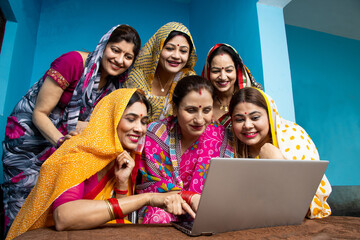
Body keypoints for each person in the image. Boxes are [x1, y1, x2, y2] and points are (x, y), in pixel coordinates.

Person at [1, 24, 141, 234]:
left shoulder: (115, 84)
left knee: (49, 208)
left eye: (128, 57)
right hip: (29, 139)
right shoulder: (73, 62)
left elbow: (96, 123)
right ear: (104, 46)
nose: (120, 60)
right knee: (21, 204)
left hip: (64, 142)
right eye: (116, 50)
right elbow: (39, 113)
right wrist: (62, 144)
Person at [6, 89, 195, 240]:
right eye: (131, 119)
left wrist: (122, 183)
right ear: (110, 119)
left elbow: (119, 225)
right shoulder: (77, 153)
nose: (139, 128)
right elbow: (64, 218)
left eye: (144, 122)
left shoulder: (118, 158)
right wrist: (147, 199)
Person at [136, 75, 234, 224]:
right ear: (175, 108)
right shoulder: (155, 134)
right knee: (157, 217)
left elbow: (225, 186)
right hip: (164, 208)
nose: (200, 119)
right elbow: (149, 185)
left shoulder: (221, 137)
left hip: (205, 210)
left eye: (206, 110)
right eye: (191, 110)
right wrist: (187, 196)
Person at [229, 87, 332, 219]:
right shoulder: (229, 145)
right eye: (239, 119)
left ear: (270, 115)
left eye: (255, 117)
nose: (247, 125)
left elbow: (312, 204)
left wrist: (278, 162)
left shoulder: (293, 137)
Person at [124, 22, 197, 123]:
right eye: (169, 48)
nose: (176, 56)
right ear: (157, 49)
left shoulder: (188, 80)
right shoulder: (136, 78)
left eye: (183, 51)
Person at [201, 43, 262, 128]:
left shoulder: (253, 99)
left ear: (237, 71)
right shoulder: (202, 103)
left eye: (229, 70)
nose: (223, 77)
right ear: (208, 72)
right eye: (215, 71)